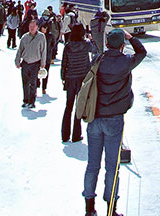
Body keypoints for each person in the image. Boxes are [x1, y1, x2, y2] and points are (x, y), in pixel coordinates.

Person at [82, 29, 147, 216]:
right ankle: (111, 209)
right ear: (122, 45)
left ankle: (89, 208)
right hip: (115, 120)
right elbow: (142, 52)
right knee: (112, 167)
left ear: (107, 44)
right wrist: (131, 37)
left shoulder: (98, 60)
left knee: (92, 165)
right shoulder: (126, 62)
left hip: (95, 118)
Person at [61, 23, 97, 143]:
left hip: (70, 78)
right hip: (83, 79)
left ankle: (65, 135)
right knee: (79, 106)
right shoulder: (86, 44)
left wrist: (63, 78)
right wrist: (91, 39)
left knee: (68, 106)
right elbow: (96, 50)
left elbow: (64, 63)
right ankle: (76, 134)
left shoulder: (68, 46)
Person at [15, 19, 47, 108]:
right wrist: (17, 61)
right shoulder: (24, 37)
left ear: (37, 27)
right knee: (25, 83)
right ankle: (25, 100)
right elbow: (20, 50)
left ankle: (32, 101)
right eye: (30, 26)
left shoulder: (41, 37)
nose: (32, 28)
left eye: (33, 26)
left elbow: (43, 51)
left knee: (33, 83)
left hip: (35, 63)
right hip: (25, 63)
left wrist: (43, 63)